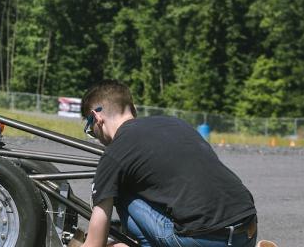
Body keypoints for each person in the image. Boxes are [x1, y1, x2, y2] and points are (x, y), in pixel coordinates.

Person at [76, 80, 259, 247]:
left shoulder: (116, 152)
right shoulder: (175, 123)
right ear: (133, 109)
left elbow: (94, 244)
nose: (94, 135)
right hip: (248, 230)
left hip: (206, 239)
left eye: (90, 128)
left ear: (96, 118)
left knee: (119, 189)